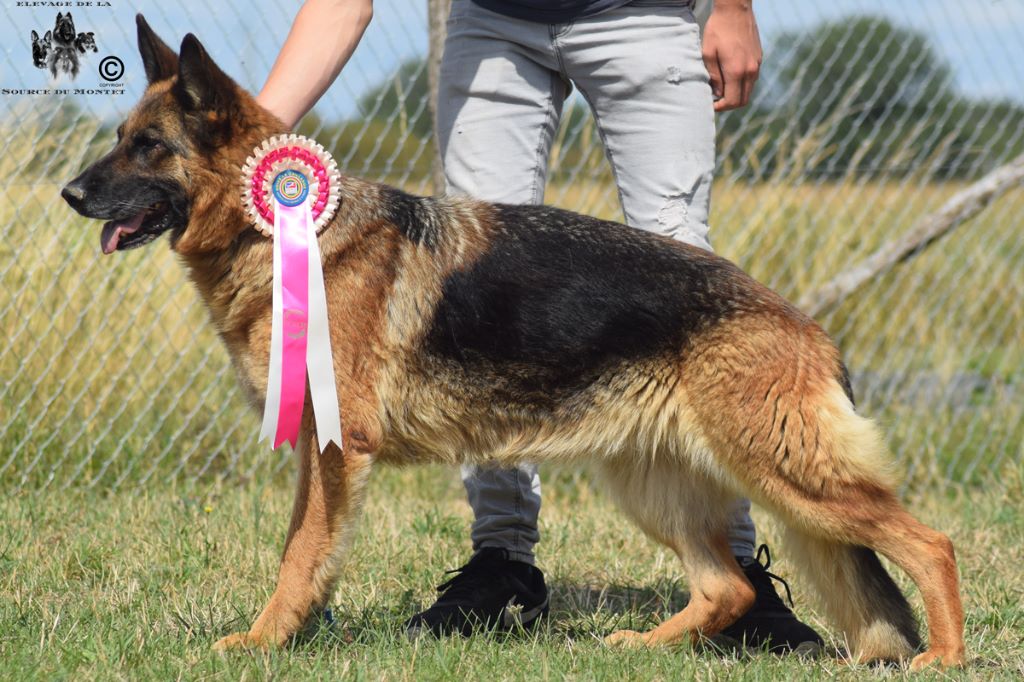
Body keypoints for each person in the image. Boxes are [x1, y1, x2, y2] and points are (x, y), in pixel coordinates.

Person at [257, 0, 823, 654]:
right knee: (476, 298)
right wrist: (248, 142)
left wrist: (732, 6)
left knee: (682, 267)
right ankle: (502, 563)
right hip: (493, 21)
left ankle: (737, 569)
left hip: (641, 13)